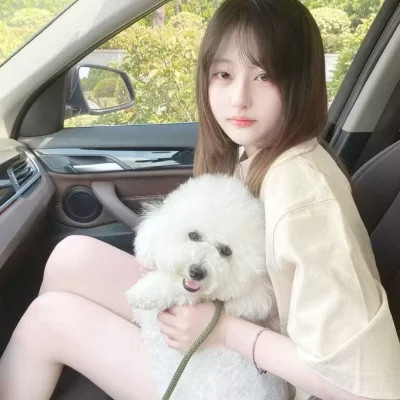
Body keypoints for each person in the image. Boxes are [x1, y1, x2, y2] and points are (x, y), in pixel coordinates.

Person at [1, 0, 399, 399]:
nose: (239, 97)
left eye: (264, 76)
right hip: (242, 327)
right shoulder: (264, 154)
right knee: (71, 257)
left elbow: (362, 386)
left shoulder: (302, 194)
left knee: (48, 321)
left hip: (263, 379)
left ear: (300, 84)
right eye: (224, 74)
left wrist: (222, 330)